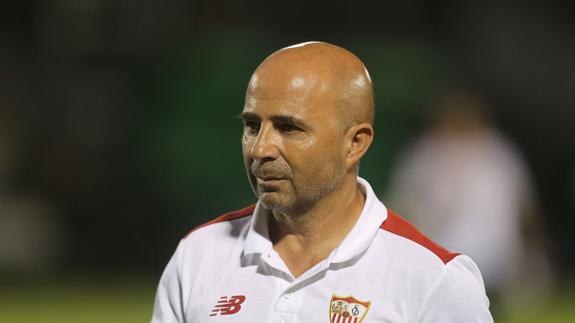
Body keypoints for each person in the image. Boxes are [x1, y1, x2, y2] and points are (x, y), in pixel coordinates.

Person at [151, 42, 493, 322]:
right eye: (252, 125)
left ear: (354, 144)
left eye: (289, 128)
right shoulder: (198, 255)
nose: (260, 148)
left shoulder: (433, 278)